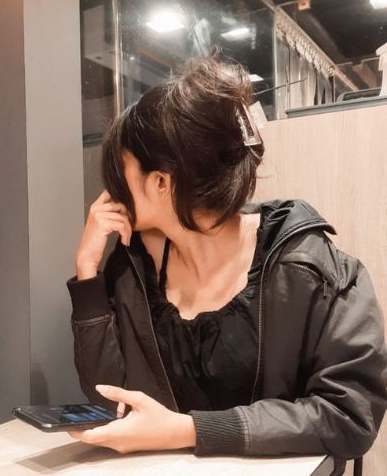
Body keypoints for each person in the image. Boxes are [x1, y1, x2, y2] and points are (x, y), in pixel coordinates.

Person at [65, 55, 387, 474]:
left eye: (119, 173)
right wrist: (87, 269)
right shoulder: (134, 271)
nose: (110, 191)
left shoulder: (308, 267)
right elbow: (110, 403)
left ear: (161, 182)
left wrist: (191, 430)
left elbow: (349, 416)